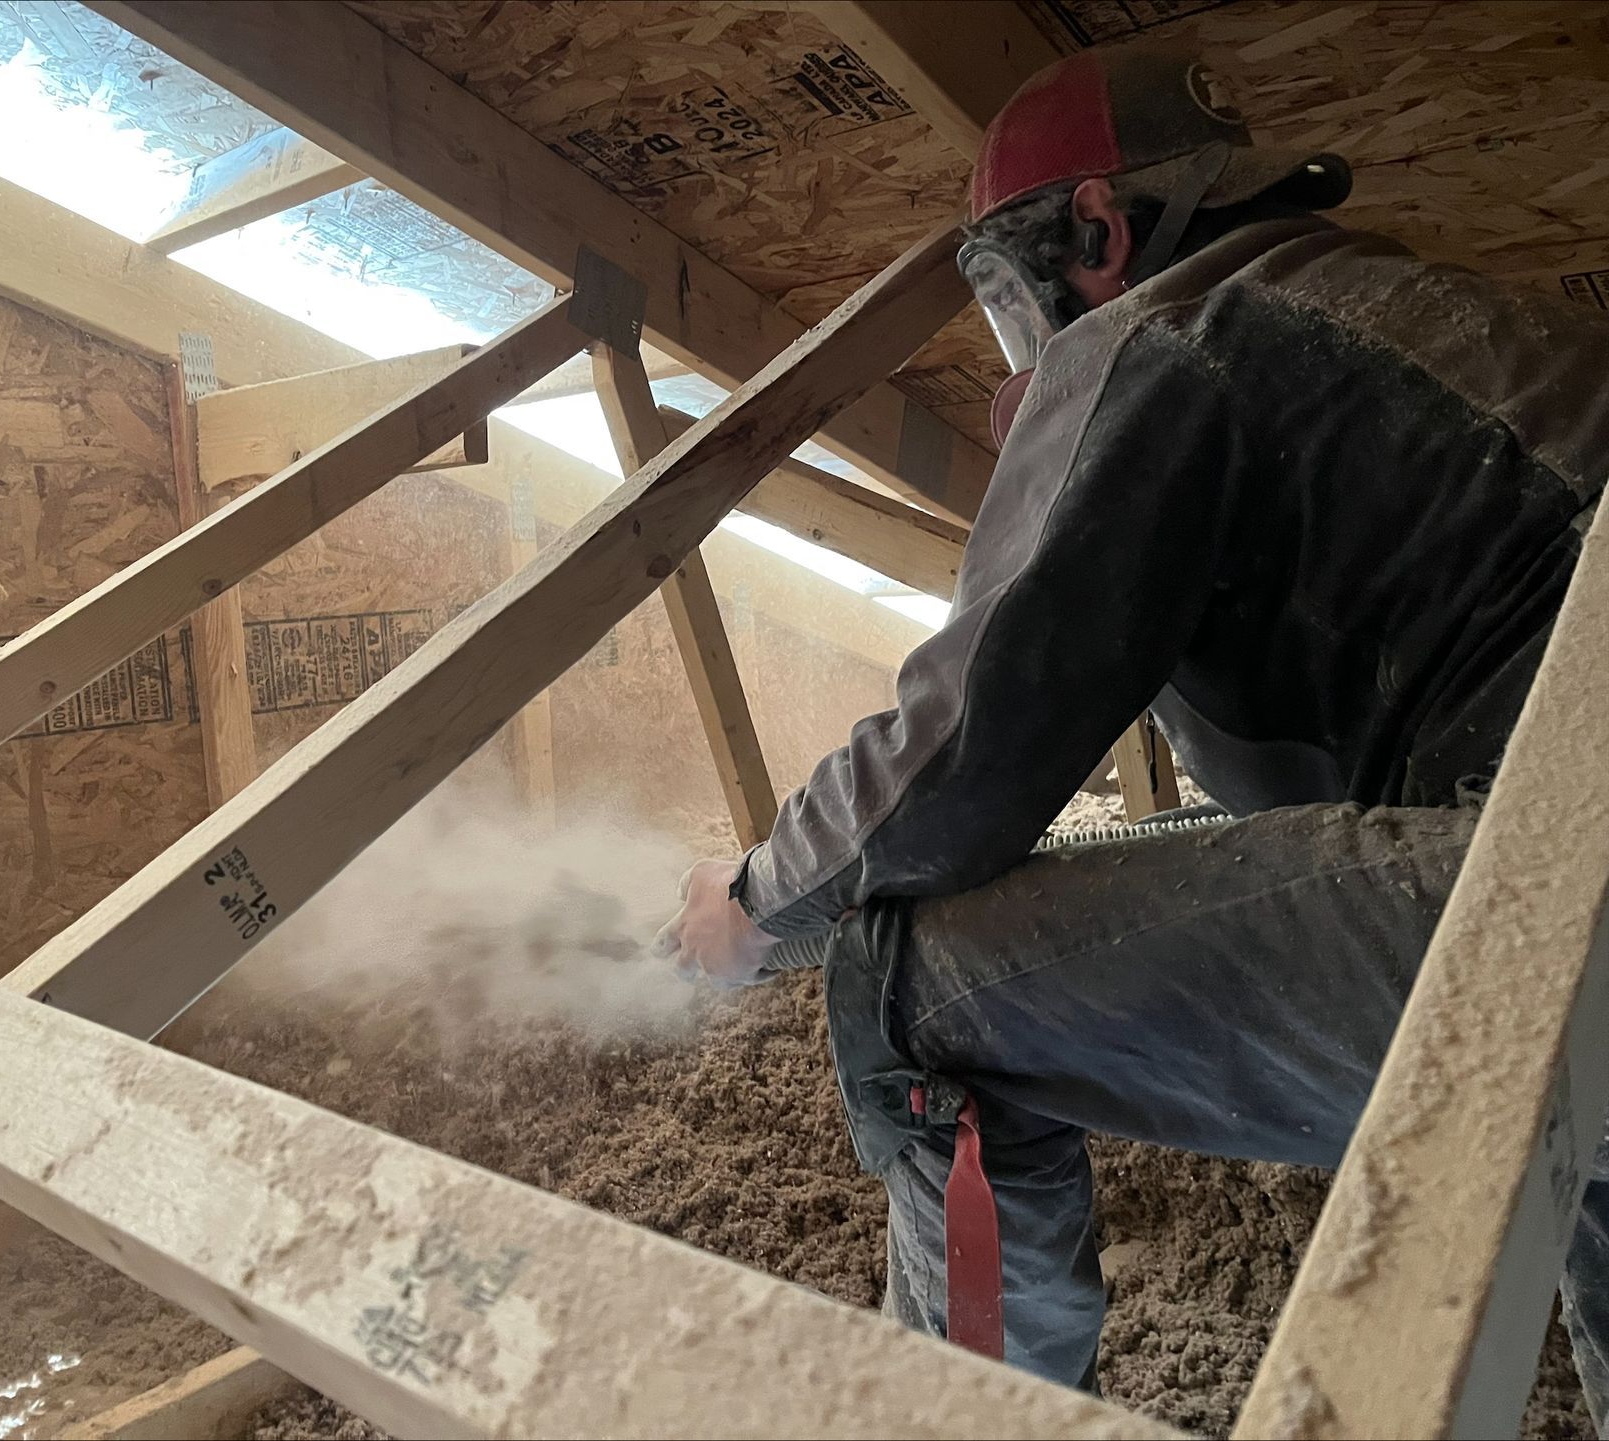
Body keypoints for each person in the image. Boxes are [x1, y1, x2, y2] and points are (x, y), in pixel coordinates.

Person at [651, 45, 1609, 1422]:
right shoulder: (1414, 325)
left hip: (1570, 897)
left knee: (900, 982)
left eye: (1004, 298)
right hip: (1564, 861)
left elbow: (963, 758)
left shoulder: (1169, 333)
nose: (1017, 349)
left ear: (1101, 233)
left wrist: (751, 903)